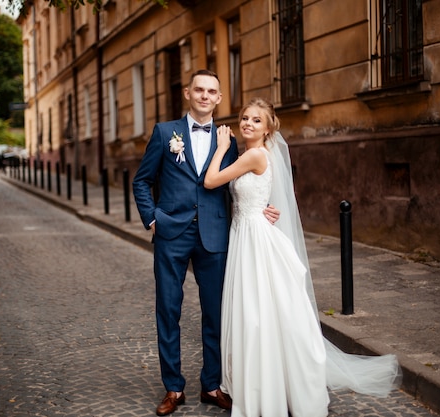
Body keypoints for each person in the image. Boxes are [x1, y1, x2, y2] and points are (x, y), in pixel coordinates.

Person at [204, 97, 402, 417]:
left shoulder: (254, 154)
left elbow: (211, 181)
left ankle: (268, 383)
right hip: (247, 232)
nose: (247, 123)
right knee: (263, 310)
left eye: (256, 120)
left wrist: (219, 147)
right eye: (244, 118)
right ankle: (269, 378)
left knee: (258, 311)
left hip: (253, 239)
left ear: (268, 128)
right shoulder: (252, 155)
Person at [132, 70, 279, 416]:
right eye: (198, 89)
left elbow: (248, 175)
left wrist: (263, 207)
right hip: (171, 234)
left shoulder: (230, 137)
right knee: (168, 310)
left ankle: (212, 385)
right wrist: (152, 219)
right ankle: (173, 388)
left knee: (216, 313)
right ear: (187, 93)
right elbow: (142, 181)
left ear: (218, 98)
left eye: (211, 91)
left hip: (216, 235)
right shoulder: (165, 133)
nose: (204, 95)